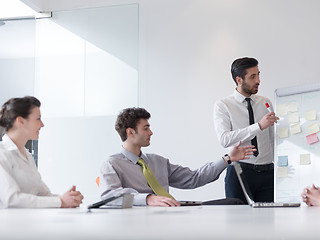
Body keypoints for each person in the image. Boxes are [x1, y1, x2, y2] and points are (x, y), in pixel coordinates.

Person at [99, 107, 255, 207]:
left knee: (234, 203)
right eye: (146, 128)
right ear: (130, 132)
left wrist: (228, 158)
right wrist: (148, 199)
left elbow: (195, 178)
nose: (151, 132)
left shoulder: (157, 161)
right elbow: (110, 197)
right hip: (142, 221)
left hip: (170, 212)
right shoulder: (112, 164)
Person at [213, 57, 279, 203]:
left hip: (268, 173)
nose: (258, 81)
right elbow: (225, 139)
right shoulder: (223, 105)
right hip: (239, 173)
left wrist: (281, 166)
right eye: (253, 76)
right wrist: (259, 126)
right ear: (239, 80)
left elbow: (272, 139)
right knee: (238, 223)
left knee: (269, 222)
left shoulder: (265, 102)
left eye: (258, 75)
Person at [0, 96, 84, 208]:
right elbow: (11, 199)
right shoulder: (2, 153)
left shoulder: (27, 155)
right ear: (20, 121)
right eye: (38, 118)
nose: (42, 124)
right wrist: (61, 202)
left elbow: (44, 195)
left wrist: (69, 199)